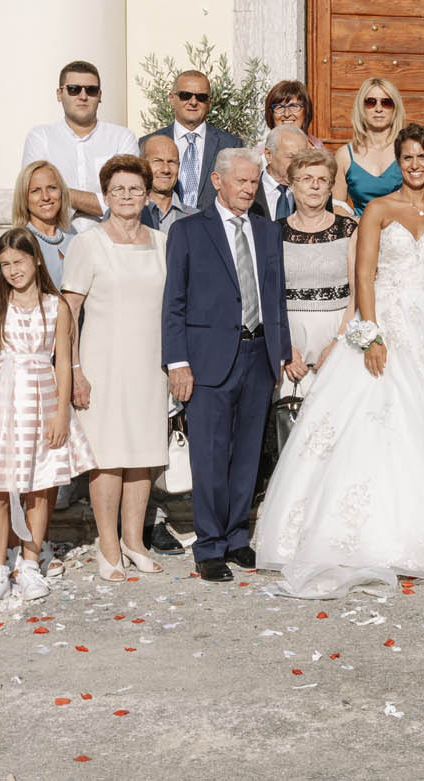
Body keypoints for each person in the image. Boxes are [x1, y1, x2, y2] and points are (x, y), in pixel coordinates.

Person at [255, 124, 424, 593]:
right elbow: (364, 276)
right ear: (398, 163)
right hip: (385, 323)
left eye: (421, 157)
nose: (414, 165)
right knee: (370, 420)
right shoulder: (378, 208)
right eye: (406, 158)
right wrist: (370, 335)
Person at [162, 146, 301, 582]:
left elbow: (274, 296)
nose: (248, 188)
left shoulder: (266, 230)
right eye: (241, 180)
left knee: (246, 455)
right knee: (209, 454)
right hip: (206, 360)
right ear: (217, 181)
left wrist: (281, 350)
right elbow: (174, 302)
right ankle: (209, 545)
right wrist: (177, 362)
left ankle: (238, 537)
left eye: (254, 181)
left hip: (258, 354)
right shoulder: (189, 232)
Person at [0, 228, 94, 608]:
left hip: (41, 398)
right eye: (5, 265)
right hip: (0, 400)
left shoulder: (56, 306)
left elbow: (62, 362)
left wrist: (62, 412)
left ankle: (29, 564)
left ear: (36, 259)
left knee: (39, 487)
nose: (13, 271)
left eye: (19, 261)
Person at [63, 156, 169, 580]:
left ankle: (134, 541)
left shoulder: (162, 242)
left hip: (150, 365)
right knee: (107, 456)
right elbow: (68, 311)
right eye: (118, 189)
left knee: (143, 454)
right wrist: (73, 370)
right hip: (102, 363)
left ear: (147, 194)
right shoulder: (88, 244)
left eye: (135, 189)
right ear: (106, 196)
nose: (127, 196)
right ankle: (107, 545)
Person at [22, 60, 139, 223]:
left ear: (99, 95)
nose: (83, 96)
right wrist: (101, 201)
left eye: (91, 90)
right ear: (59, 94)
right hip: (57, 239)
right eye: (73, 89)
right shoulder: (40, 137)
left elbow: (128, 199)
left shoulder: (122, 137)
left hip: (111, 240)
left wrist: (59, 193)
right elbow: (35, 197)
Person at [278, 147, 359, 379]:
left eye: (322, 180)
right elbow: (267, 296)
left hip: (338, 337)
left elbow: (358, 294)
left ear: (331, 187)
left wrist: (338, 344)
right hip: (290, 343)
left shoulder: (350, 229)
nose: (315, 185)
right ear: (292, 185)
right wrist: (285, 350)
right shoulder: (273, 231)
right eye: (306, 179)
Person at [146, 69, 243, 215]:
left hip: (212, 230)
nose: (193, 102)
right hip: (161, 226)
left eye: (201, 97)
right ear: (172, 99)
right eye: (185, 95)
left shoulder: (230, 144)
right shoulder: (148, 143)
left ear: (209, 102)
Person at [334, 77, 406, 211]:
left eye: (386, 103)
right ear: (361, 108)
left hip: (401, 229)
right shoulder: (345, 155)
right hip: (358, 229)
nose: (378, 108)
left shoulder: (407, 150)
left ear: (395, 108)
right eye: (370, 102)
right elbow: (338, 207)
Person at [14, 160, 77, 288]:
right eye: (35, 190)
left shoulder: (75, 238)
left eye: (52, 188)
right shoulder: (16, 243)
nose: (46, 197)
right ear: (24, 198)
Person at [253, 126, 308, 220]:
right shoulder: (250, 189)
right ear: (269, 155)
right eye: (291, 157)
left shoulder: (310, 192)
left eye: (302, 158)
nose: (298, 164)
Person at [138, 133, 188, 233]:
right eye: (158, 161)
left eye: (171, 162)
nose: (166, 169)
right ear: (142, 165)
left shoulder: (196, 218)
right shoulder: (126, 213)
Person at [264, 79, 324, 149]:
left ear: (306, 111)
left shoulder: (318, 148)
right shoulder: (262, 155)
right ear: (271, 114)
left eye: (294, 107)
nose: (286, 114)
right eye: (280, 107)